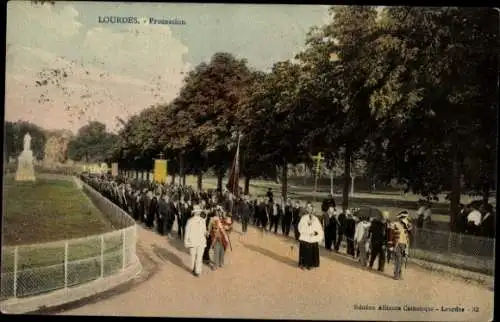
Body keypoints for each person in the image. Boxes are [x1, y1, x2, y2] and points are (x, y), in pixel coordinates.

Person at [297, 204, 324, 270]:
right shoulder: (303, 218)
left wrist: (315, 233)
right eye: (308, 209)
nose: (310, 211)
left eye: (311, 209)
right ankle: (303, 264)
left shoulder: (315, 219)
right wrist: (307, 224)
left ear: (312, 210)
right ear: (307, 210)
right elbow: (299, 227)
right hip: (305, 237)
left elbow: (319, 229)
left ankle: (310, 264)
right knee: (304, 251)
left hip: (312, 238)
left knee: (311, 252)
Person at [184, 205, 207, 277]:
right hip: (199, 241)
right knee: (198, 257)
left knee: (194, 256)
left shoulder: (190, 221)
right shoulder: (202, 221)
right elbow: (204, 231)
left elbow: (187, 232)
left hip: (194, 242)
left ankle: (195, 269)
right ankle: (196, 270)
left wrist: (186, 242)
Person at [390, 211, 412, 280]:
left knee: (401, 260)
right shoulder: (395, 224)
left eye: (406, 217)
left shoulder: (408, 225)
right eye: (404, 217)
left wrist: (406, 224)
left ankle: (399, 274)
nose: (405, 219)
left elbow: (410, 232)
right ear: (400, 218)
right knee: (398, 259)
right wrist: (390, 245)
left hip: (404, 244)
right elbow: (391, 235)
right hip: (397, 244)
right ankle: (396, 274)